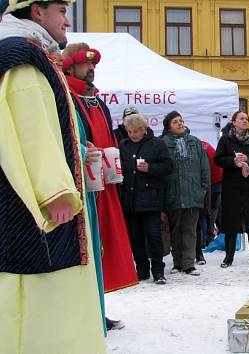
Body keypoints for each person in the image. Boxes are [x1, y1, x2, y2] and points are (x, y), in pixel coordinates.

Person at [0, 1, 105, 352]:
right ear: (36, 12)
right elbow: (29, 124)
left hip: (25, 201)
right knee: (43, 291)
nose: (67, 19)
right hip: (34, 208)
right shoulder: (22, 55)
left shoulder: (28, 52)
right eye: (60, 9)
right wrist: (54, 190)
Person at [62, 42, 137, 329]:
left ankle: (98, 308)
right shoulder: (68, 97)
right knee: (87, 247)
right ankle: (86, 312)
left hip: (104, 184)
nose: (91, 69)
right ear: (71, 65)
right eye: (85, 64)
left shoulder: (97, 101)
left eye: (93, 64)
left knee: (102, 247)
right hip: (82, 185)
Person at [119, 114, 173, 284]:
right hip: (131, 199)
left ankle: (158, 271)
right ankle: (141, 270)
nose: (132, 134)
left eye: (135, 131)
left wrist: (150, 168)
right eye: (129, 131)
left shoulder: (157, 144)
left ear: (143, 130)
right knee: (136, 238)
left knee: (154, 236)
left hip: (151, 199)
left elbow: (168, 166)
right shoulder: (123, 145)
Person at [214, 111, 249, 268]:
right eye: (241, 118)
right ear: (234, 122)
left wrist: (248, 159)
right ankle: (228, 257)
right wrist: (233, 161)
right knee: (231, 223)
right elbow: (218, 159)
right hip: (232, 187)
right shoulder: (226, 139)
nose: (245, 121)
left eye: (247, 119)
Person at [161, 111, 210, 276]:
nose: (180, 123)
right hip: (173, 193)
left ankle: (189, 264)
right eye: (175, 122)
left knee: (190, 229)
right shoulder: (163, 143)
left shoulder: (195, 142)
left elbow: (205, 168)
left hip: (193, 192)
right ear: (169, 126)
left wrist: (202, 189)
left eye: (181, 121)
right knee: (175, 230)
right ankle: (177, 263)